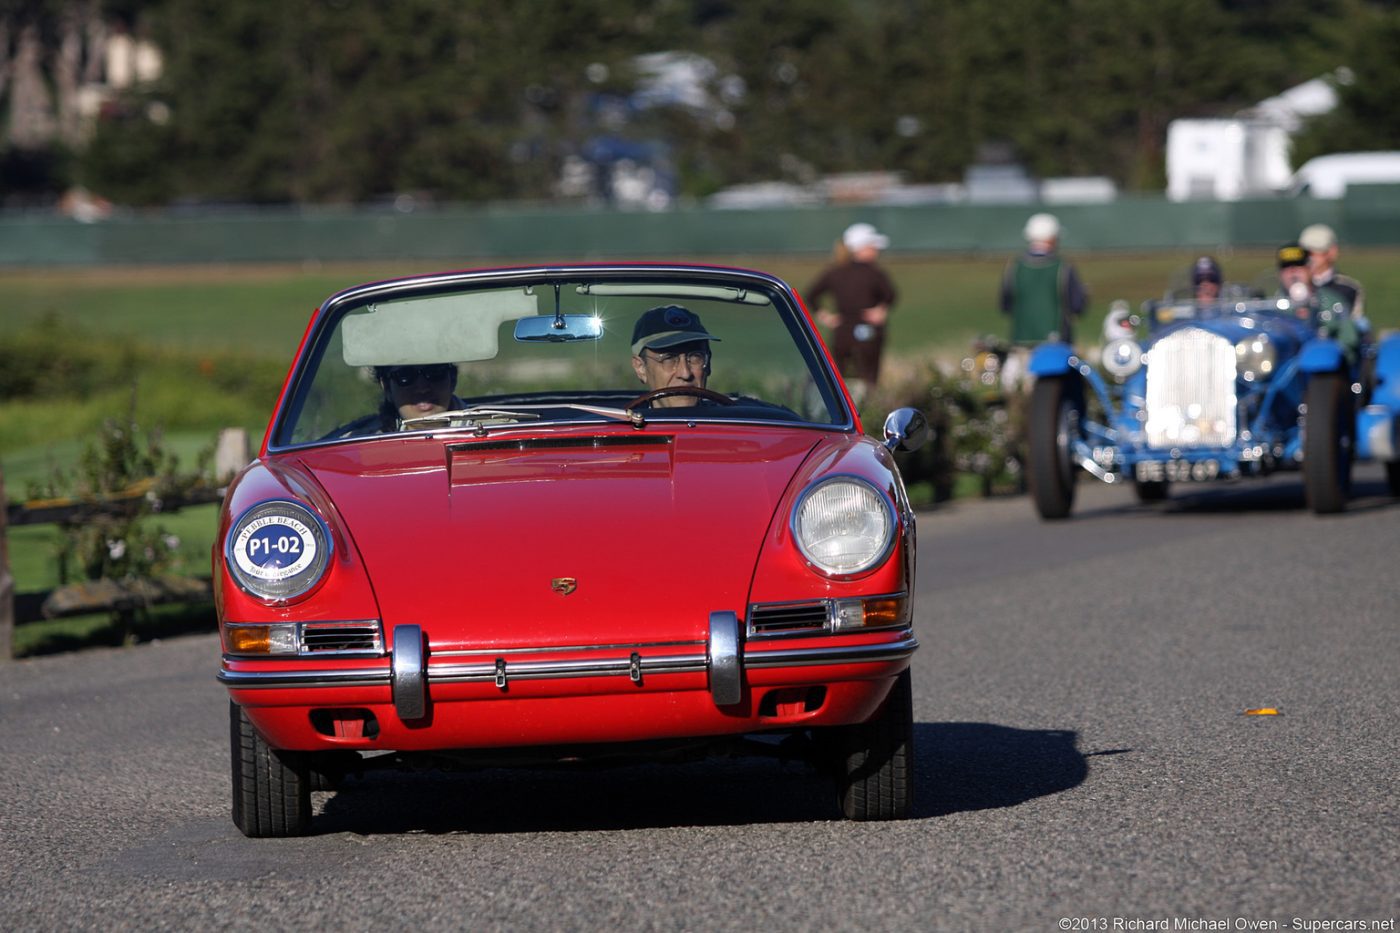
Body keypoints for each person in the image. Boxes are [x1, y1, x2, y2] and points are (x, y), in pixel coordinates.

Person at [805, 222, 897, 400]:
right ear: (861, 248)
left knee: (838, 380)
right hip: (869, 332)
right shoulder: (875, 273)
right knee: (869, 378)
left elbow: (811, 296)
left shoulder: (836, 272)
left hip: (843, 332)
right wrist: (880, 310)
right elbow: (891, 295)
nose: (876, 250)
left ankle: (839, 409)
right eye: (872, 246)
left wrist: (825, 317)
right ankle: (867, 409)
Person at [999, 212, 1087, 347]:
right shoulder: (1063, 267)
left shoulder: (1014, 266)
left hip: (1020, 341)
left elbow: (1005, 306)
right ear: (1052, 238)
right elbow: (1077, 305)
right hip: (1057, 343)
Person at [1276, 242, 1360, 366]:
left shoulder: (1332, 302)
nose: (1293, 272)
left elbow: (1349, 340)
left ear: (1310, 268)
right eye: (1286, 267)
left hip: (1323, 368)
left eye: (1299, 265)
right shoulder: (1273, 305)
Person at [630, 304, 720, 408]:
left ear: (708, 364)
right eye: (668, 358)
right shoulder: (620, 418)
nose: (685, 374)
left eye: (695, 357)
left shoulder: (727, 417)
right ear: (641, 368)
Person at [1299, 223, 1367, 324]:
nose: (1309, 257)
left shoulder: (1349, 288)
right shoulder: (1293, 285)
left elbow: (1354, 325)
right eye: (1305, 253)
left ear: (1332, 252)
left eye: (1315, 251)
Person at [377, 363, 462, 430]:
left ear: (453, 378)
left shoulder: (471, 433)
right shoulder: (373, 441)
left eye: (434, 371)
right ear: (387, 387)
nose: (422, 388)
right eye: (405, 375)